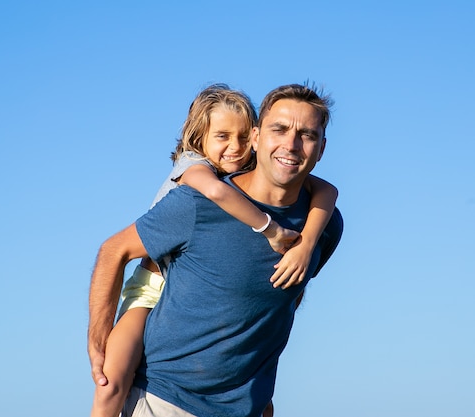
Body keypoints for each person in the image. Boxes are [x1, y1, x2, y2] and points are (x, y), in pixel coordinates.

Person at [88, 83, 344, 417]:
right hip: (165, 401)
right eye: (279, 129)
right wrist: (97, 337)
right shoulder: (197, 201)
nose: (291, 144)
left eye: (307, 135)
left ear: (321, 148)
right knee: (110, 381)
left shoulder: (324, 225)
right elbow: (114, 249)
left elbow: (281, 307)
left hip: (244, 410)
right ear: (257, 136)